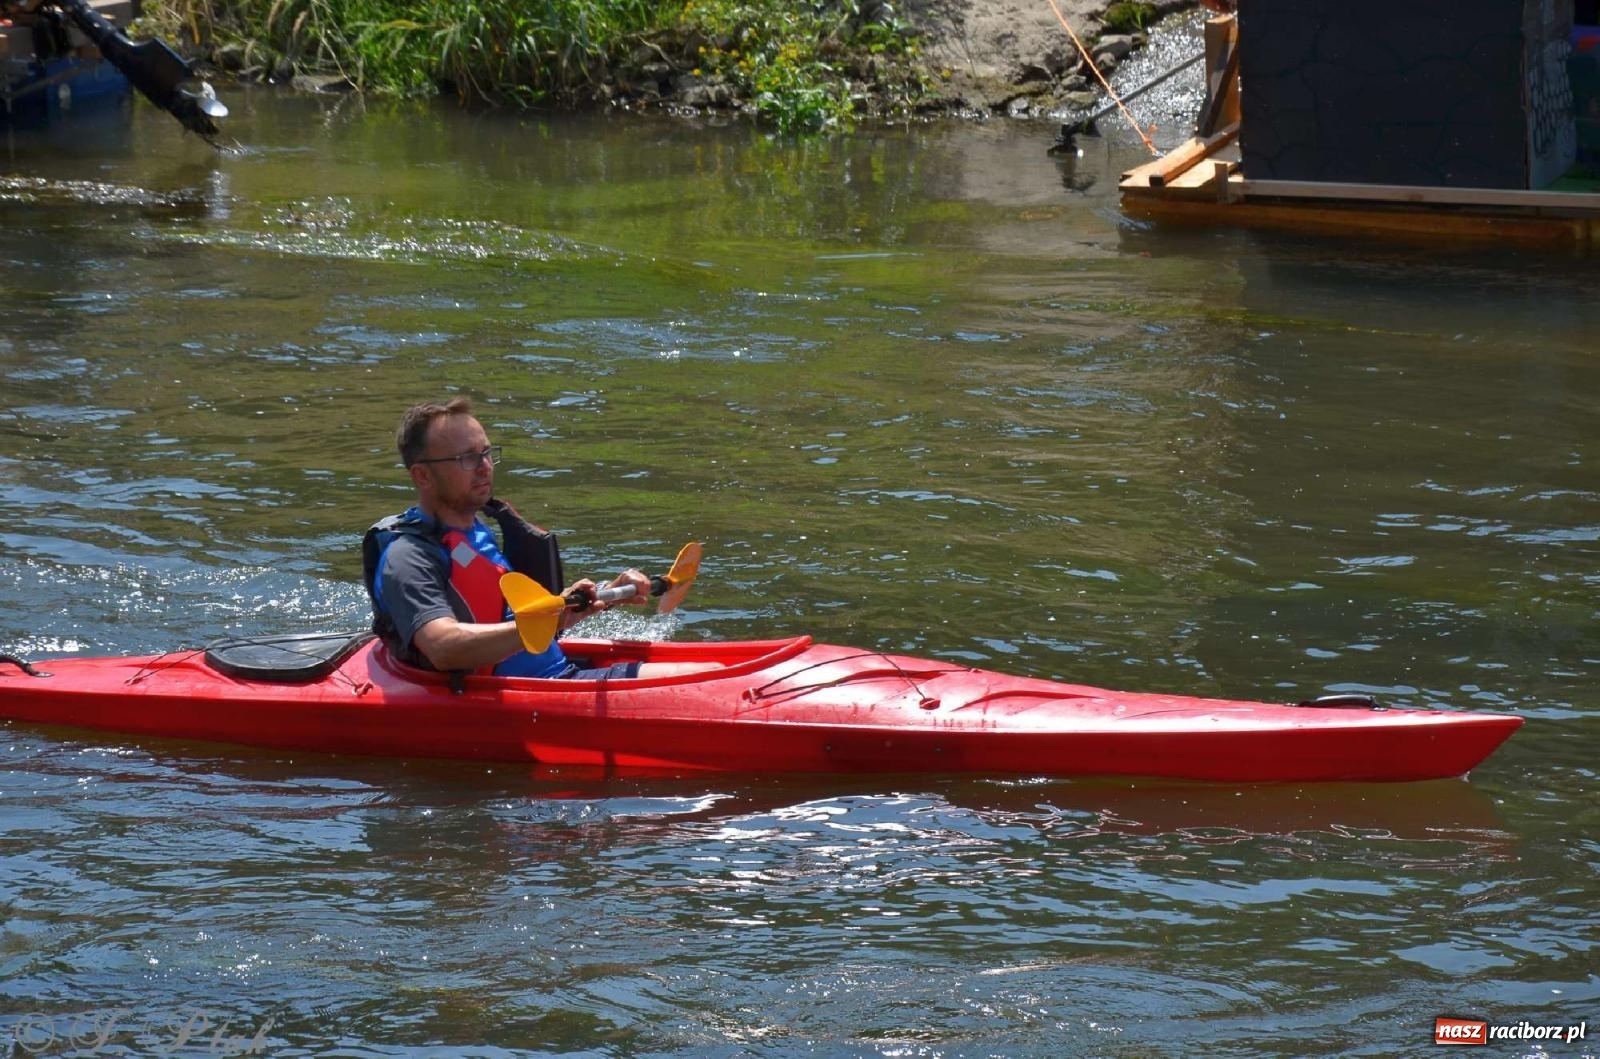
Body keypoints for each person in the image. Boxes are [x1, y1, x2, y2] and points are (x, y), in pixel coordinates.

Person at [361, 397, 708, 680]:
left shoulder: (475, 532)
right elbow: (443, 647)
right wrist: (546, 620)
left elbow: (510, 621)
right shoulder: (408, 557)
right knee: (704, 678)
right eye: (467, 458)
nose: (484, 466)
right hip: (515, 696)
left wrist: (598, 596)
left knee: (713, 670)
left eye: (486, 453)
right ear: (422, 476)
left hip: (555, 675)